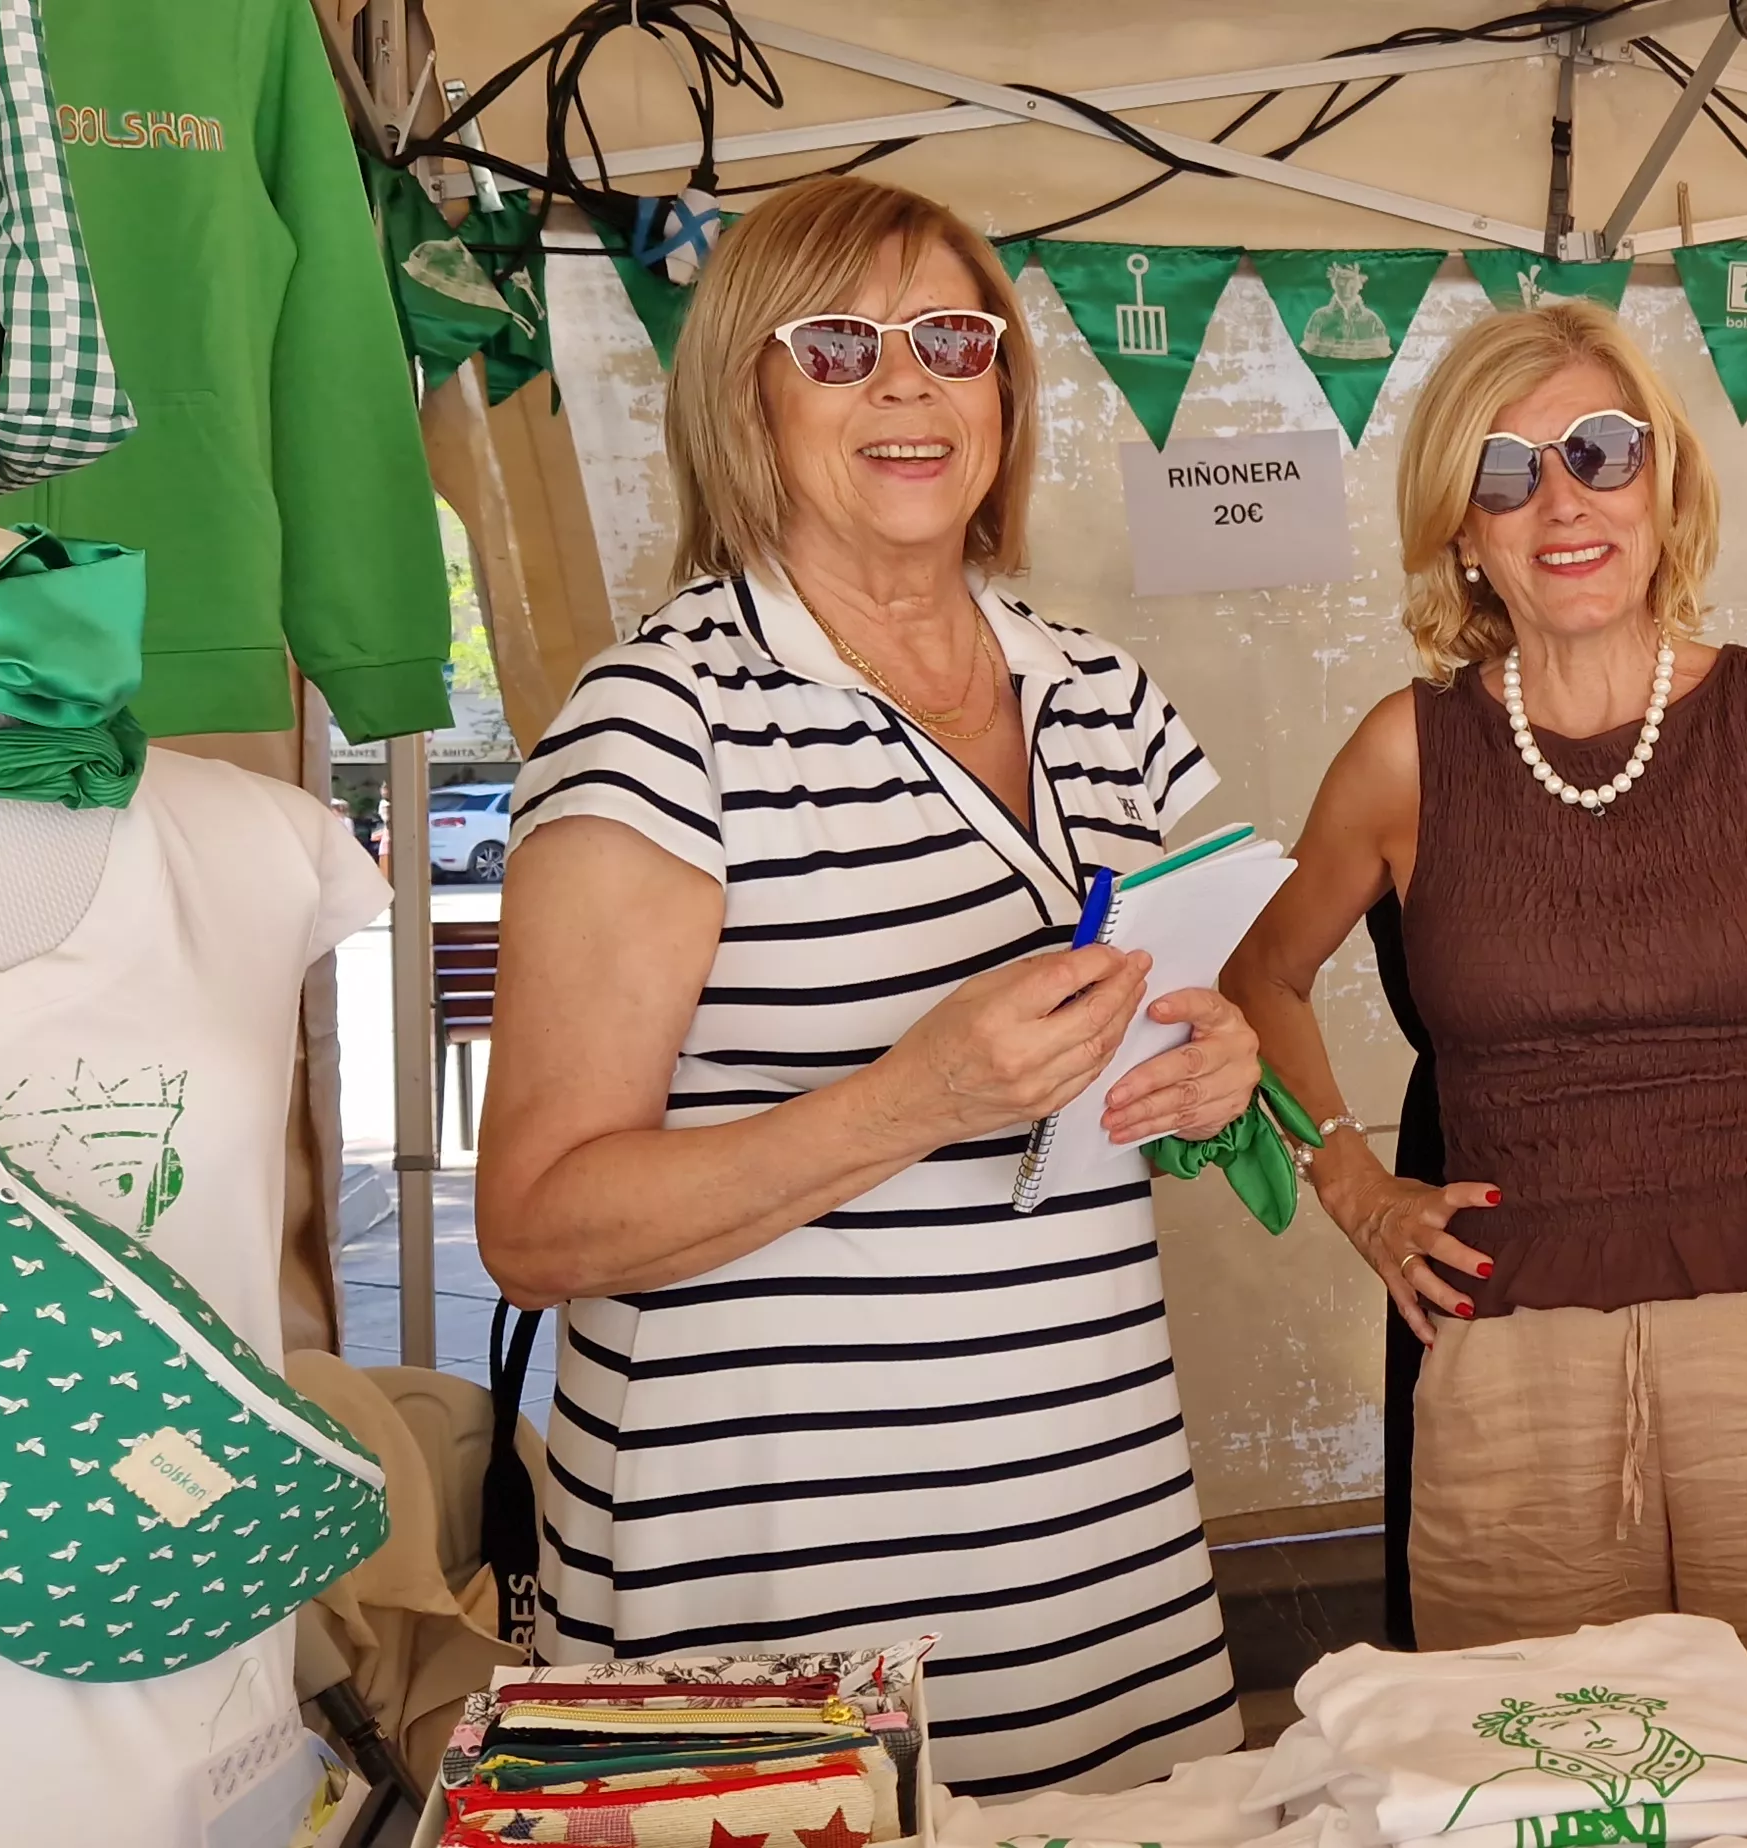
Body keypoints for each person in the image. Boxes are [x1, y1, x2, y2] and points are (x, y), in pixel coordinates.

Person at [474, 176, 1261, 1797]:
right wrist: (916, 1099)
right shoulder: (661, 721)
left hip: (1089, 1537)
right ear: (744, 398)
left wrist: (1212, 1070)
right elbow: (537, 1226)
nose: (908, 383)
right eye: (838, 344)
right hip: (770, 1575)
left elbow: (1158, 1052)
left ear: (1002, 392)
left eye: (951, 341)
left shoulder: (1104, 699)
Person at [1225, 302, 1747, 1706]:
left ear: (1664, 484)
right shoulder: (1408, 754)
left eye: (1601, 451)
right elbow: (1258, 975)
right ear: (1459, 530)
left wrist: (1709, 1135)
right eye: (1505, 471)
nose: (1561, 502)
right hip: (1512, 1350)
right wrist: (1356, 1188)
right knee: (1533, 1752)